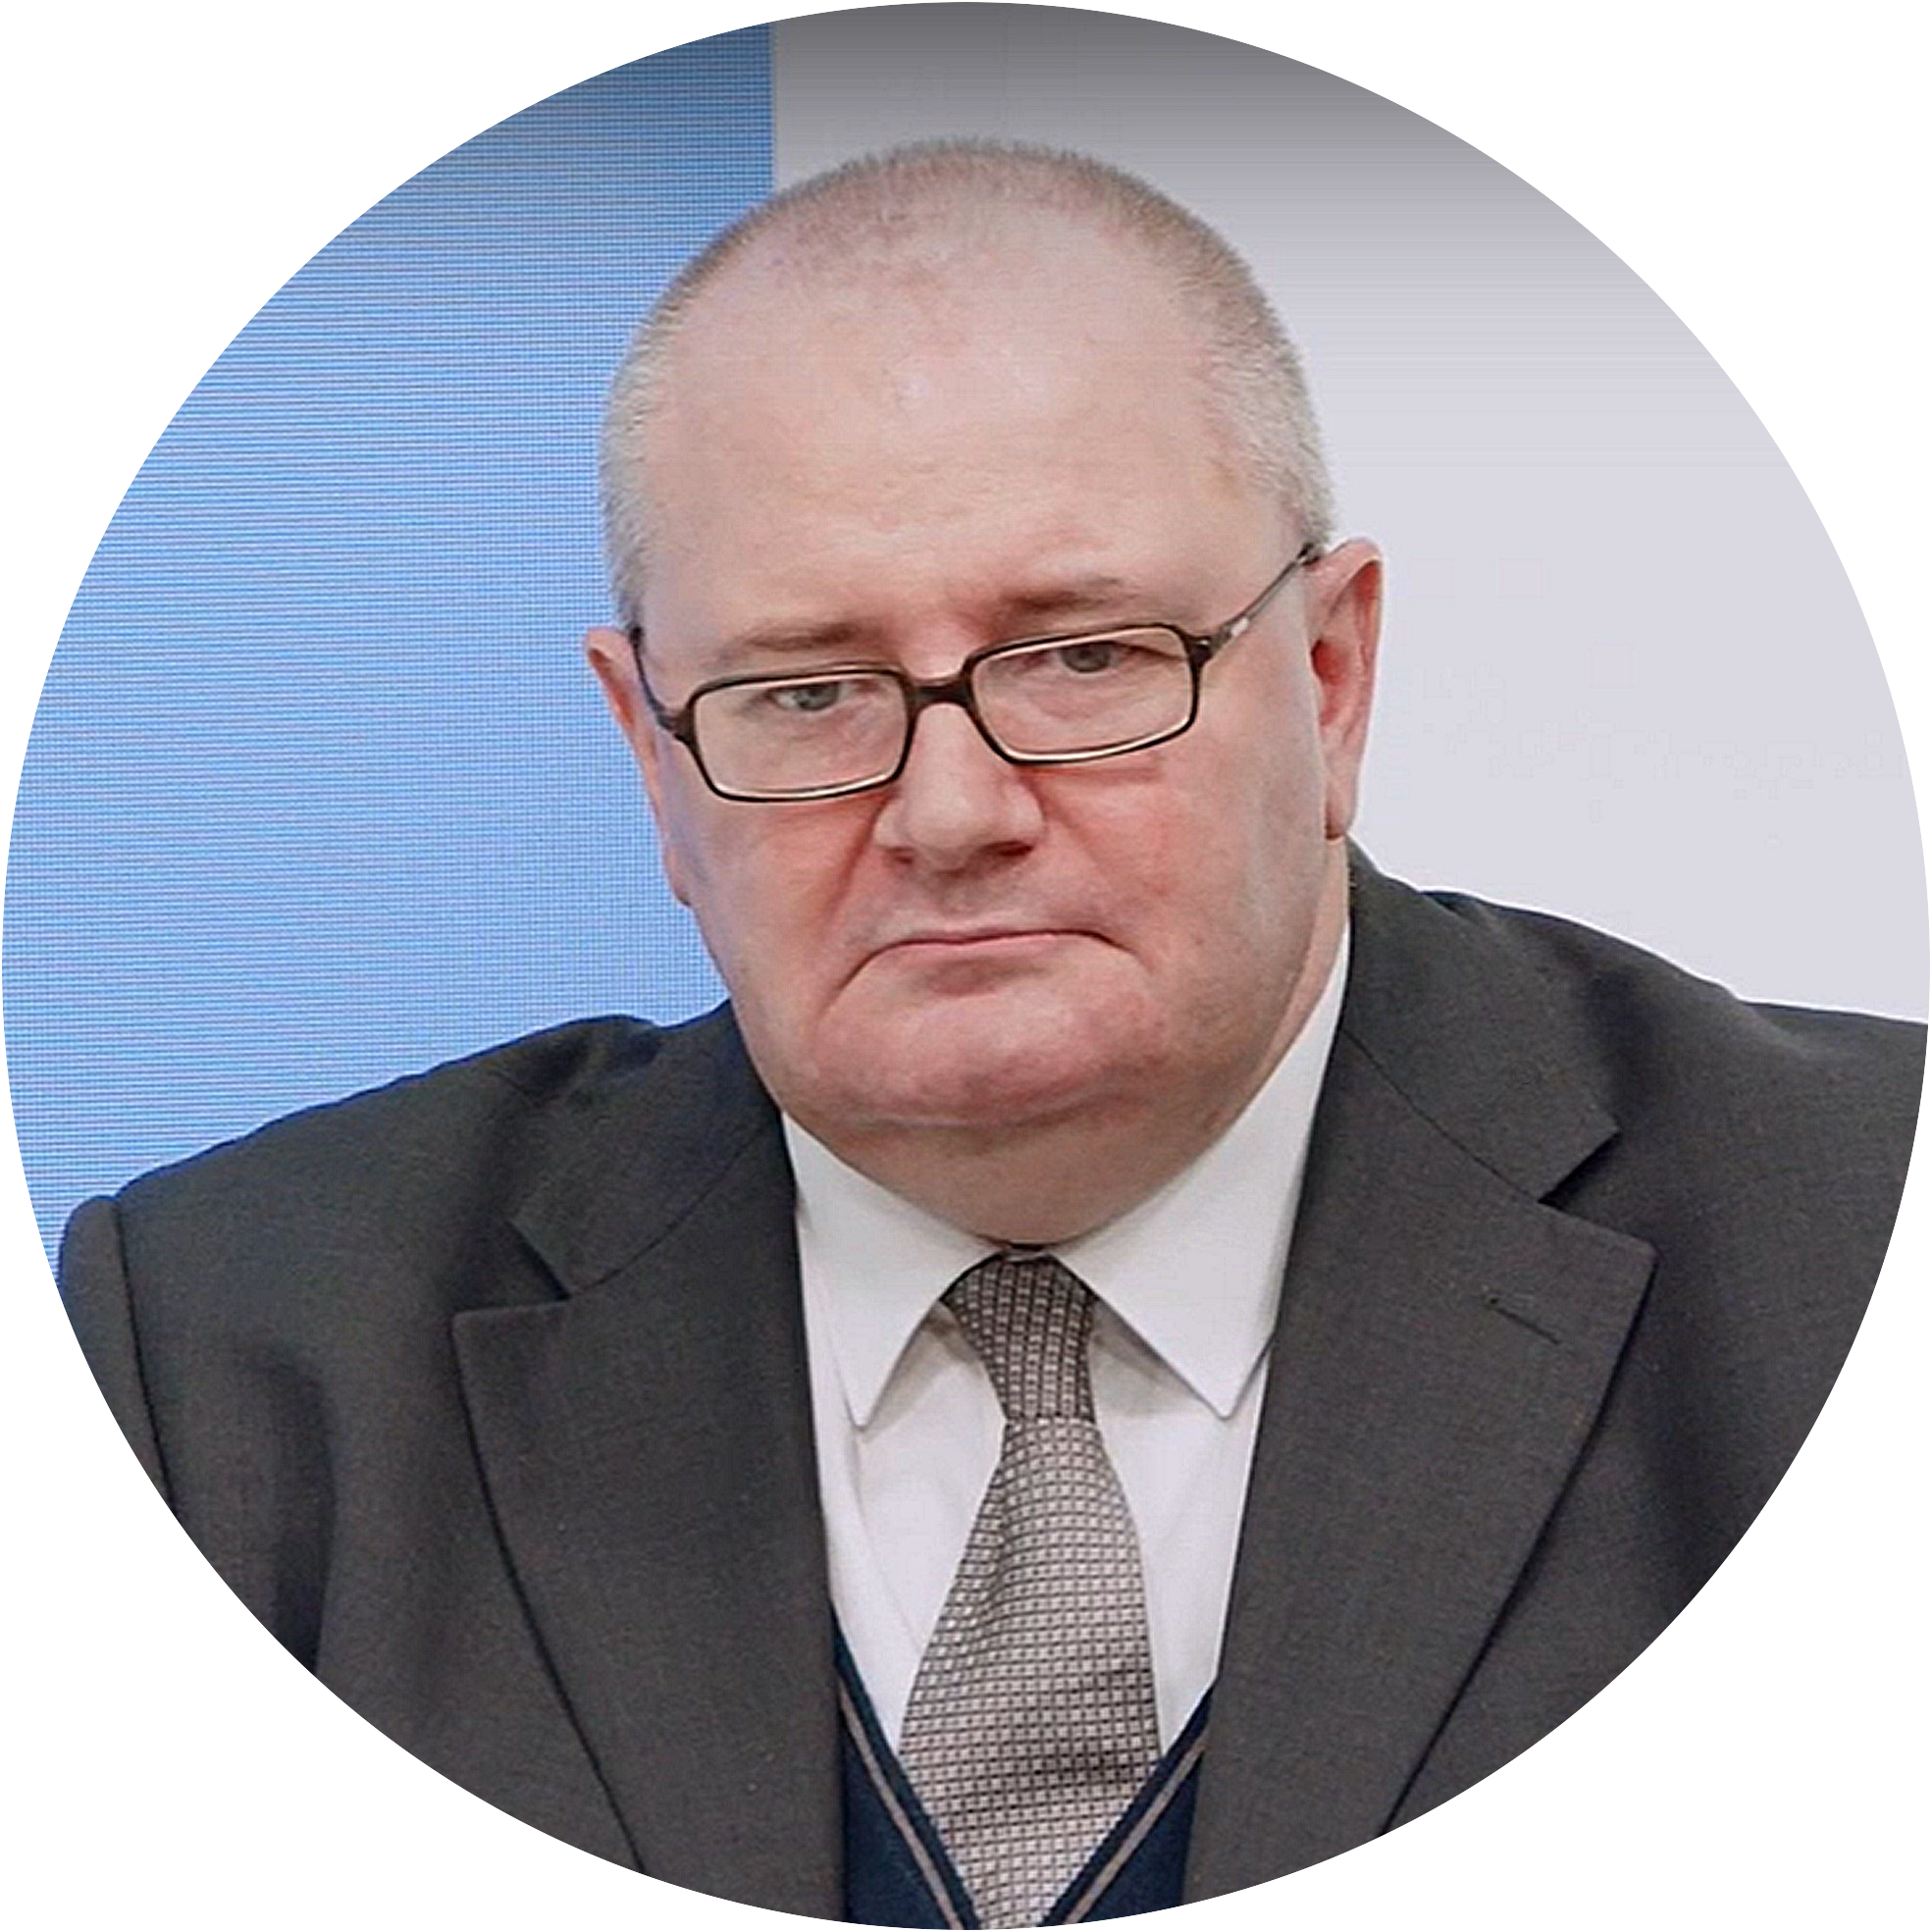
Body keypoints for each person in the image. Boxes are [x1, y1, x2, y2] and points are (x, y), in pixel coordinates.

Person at [59, 142, 1920, 1922]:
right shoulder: (235, 1363)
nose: (950, 813)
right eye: (804, 691)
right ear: (651, 758)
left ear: (1331, 678)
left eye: (1085, 658)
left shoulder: (1841, 1237)